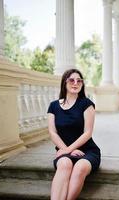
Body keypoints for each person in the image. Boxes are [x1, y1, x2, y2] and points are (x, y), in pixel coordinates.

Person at [47, 69, 101, 200]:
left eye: (79, 81)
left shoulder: (87, 104)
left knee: (80, 167)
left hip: (87, 151)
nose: (75, 83)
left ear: (82, 84)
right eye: (71, 80)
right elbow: (52, 132)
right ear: (64, 83)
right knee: (65, 165)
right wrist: (67, 151)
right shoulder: (53, 106)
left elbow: (87, 133)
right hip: (64, 150)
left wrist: (68, 150)